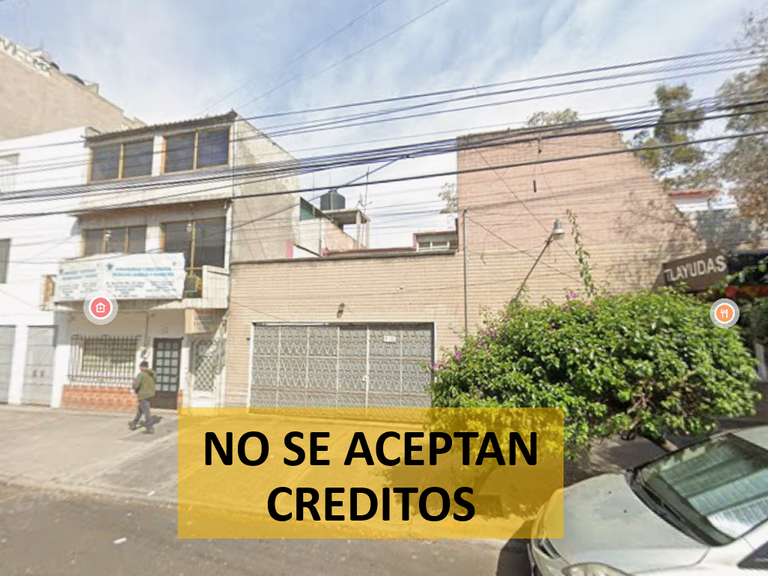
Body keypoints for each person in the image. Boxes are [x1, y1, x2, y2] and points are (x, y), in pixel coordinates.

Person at [129, 360, 156, 434]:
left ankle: (150, 427)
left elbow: (136, 385)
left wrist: (133, 388)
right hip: (150, 394)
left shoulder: (141, 375)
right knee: (140, 410)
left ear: (141, 367)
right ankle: (134, 423)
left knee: (146, 412)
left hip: (143, 395)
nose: (139, 368)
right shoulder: (152, 374)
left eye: (140, 367)